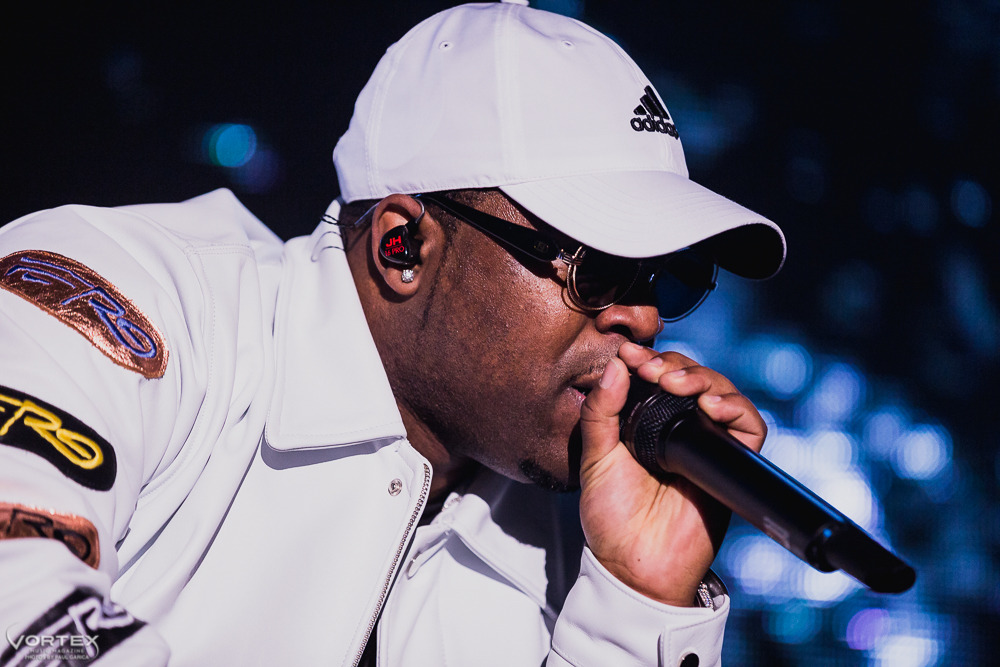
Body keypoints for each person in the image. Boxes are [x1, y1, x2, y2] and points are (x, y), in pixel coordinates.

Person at [0, 1, 785, 665]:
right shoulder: (129, 297)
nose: (643, 317)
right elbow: (20, 608)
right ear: (402, 247)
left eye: (666, 278)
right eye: (597, 268)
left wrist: (637, 601)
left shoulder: (581, 529)